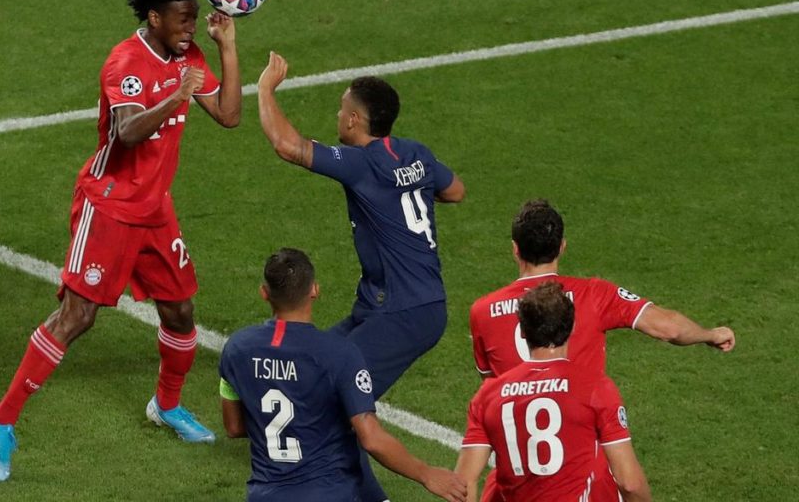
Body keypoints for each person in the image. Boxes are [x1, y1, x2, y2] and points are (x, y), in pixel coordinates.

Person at [0, 0, 243, 482]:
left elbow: (231, 114)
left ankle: (165, 405)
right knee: (77, 317)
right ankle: (0, 420)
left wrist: (226, 47)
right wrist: (175, 95)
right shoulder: (126, 61)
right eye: (184, 18)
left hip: (155, 210)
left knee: (181, 310)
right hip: (109, 205)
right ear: (153, 16)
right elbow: (125, 132)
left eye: (195, 16)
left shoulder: (188, 55)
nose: (192, 26)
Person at [257, 52, 465, 501]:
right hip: (383, 304)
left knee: (340, 407)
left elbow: (287, 145)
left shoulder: (361, 163)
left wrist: (265, 90)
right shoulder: (414, 153)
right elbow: (455, 190)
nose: (337, 115)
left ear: (354, 120)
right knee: (311, 368)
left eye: (340, 109)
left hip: (405, 315)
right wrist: (411, 189)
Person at [469, 199, 735, 500]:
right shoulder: (593, 294)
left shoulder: (482, 311)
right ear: (562, 247)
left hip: (517, 473)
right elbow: (669, 327)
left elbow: (491, 390)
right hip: (585, 473)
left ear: (515, 249)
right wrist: (710, 334)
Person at [219, 248, 466, 502]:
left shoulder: (236, 349)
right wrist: (426, 474)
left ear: (264, 293)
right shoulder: (339, 353)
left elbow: (234, 427)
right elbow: (371, 438)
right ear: (314, 290)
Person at [455, 282, 653, 502]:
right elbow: (630, 483)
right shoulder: (595, 387)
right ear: (571, 327)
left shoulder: (488, 396)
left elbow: (464, 482)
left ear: (522, 331)